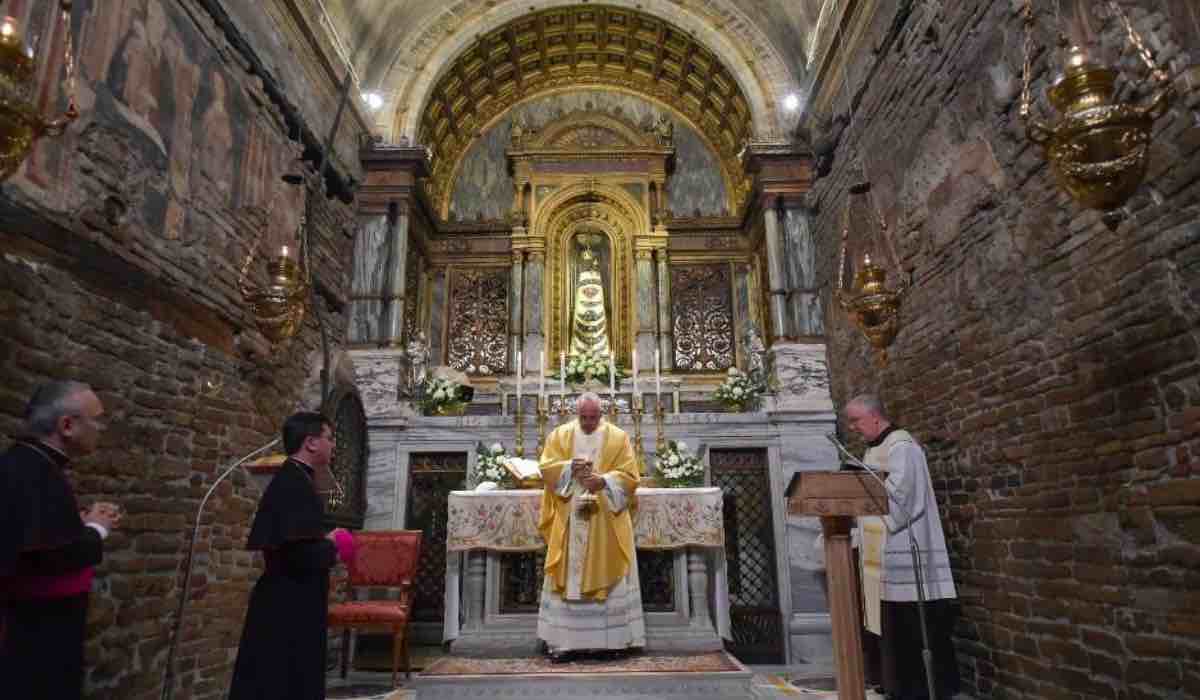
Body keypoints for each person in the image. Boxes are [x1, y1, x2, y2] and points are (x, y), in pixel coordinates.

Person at [0, 381, 122, 699]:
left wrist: (77, 525)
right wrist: (97, 528)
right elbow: (55, 558)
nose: (102, 428)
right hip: (35, 635)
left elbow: (41, 538)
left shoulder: (30, 464)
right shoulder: (34, 471)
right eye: (97, 420)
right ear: (67, 425)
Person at [229, 412, 355, 700]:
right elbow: (298, 554)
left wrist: (323, 543)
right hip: (287, 602)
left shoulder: (297, 478)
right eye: (330, 438)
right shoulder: (293, 482)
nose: (333, 445)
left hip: (292, 597)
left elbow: (295, 541)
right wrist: (334, 543)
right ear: (311, 443)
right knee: (280, 681)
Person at [844, 394, 959, 700]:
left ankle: (920, 689)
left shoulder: (901, 447)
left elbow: (901, 498)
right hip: (882, 550)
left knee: (912, 623)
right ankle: (897, 684)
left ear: (875, 417)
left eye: (855, 421)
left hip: (905, 547)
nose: (853, 428)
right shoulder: (874, 450)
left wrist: (860, 493)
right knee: (891, 622)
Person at [537, 392, 643, 660]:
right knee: (569, 578)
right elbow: (547, 469)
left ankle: (612, 643)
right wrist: (568, 469)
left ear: (601, 413)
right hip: (571, 515)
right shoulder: (560, 436)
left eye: (593, 417)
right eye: (583, 417)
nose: (587, 422)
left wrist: (604, 481)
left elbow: (631, 476)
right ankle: (564, 642)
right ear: (576, 413)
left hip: (605, 518)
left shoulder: (618, 438)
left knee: (609, 573)